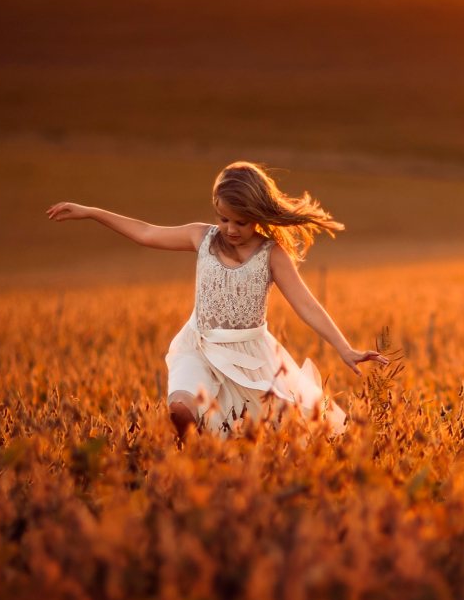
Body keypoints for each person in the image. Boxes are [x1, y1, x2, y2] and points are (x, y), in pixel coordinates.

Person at [46, 161, 386, 437]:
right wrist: (91, 211)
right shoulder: (201, 238)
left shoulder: (272, 254)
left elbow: (307, 305)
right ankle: (183, 463)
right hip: (199, 346)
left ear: (260, 216)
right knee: (180, 409)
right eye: (223, 219)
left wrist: (345, 349)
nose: (231, 229)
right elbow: (145, 233)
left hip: (249, 357)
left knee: (268, 435)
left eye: (242, 222)